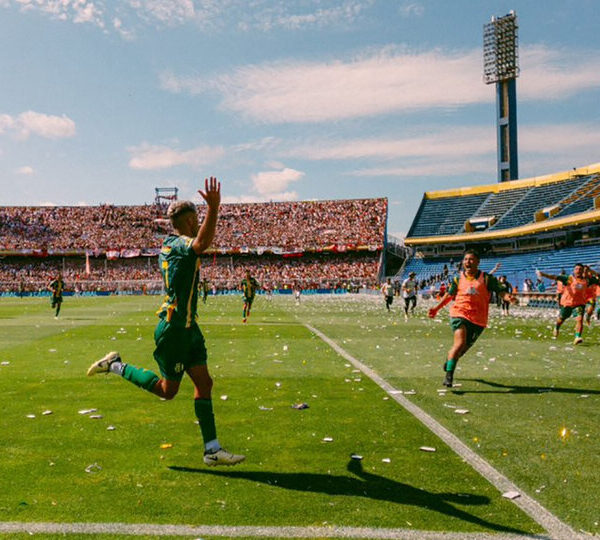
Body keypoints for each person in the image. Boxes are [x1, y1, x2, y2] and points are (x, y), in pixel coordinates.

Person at [87, 177, 245, 467]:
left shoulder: (173, 243)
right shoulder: (181, 243)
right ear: (188, 221)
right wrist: (214, 208)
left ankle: (212, 450)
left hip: (188, 327)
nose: (199, 223)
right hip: (174, 330)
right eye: (196, 219)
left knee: (204, 382)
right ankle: (116, 365)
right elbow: (201, 244)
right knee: (167, 391)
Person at [428, 250, 515, 388]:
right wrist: (436, 308)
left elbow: (501, 292)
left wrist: (508, 297)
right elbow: (449, 296)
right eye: (466, 259)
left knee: (462, 350)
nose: (468, 262)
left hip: (478, 319)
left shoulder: (486, 278)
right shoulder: (458, 279)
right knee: (459, 343)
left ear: (478, 262)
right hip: (459, 314)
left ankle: (449, 360)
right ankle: (449, 377)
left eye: (471, 259)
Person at [537, 263, 600, 345]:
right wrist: (543, 274)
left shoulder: (587, 280)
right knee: (561, 319)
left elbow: (598, 278)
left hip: (579, 303)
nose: (578, 271)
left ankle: (577, 337)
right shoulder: (569, 279)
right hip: (567, 303)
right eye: (576, 269)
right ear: (574, 271)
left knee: (580, 319)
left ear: (583, 271)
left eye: (580, 269)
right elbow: (554, 277)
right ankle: (557, 327)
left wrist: (591, 271)